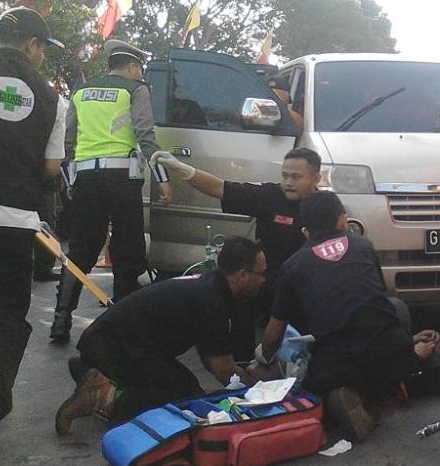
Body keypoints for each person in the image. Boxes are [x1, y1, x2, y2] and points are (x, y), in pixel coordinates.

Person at [54, 236, 268, 434]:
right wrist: (259, 392)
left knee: (187, 385)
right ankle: (103, 397)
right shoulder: (212, 301)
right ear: (242, 275)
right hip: (115, 347)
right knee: (182, 401)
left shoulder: (211, 285)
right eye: (261, 274)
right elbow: (220, 367)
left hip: (112, 341)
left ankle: (93, 371)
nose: (264, 280)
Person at [255, 191, 419, 441]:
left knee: (306, 387)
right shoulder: (364, 246)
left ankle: (341, 398)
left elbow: (273, 335)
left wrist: (262, 362)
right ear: (343, 221)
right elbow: (377, 302)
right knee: (397, 307)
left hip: (337, 365)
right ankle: (371, 396)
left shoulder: (293, 265)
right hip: (394, 353)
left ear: (305, 232)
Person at [0, 7, 67, 461]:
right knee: (4, 311)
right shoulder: (53, 99)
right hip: (13, 219)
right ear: (32, 45)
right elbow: (51, 168)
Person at [50, 40, 173, 343]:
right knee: (127, 248)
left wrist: (69, 181)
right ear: (132, 67)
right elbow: (146, 135)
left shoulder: (82, 91)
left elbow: (67, 143)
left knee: (80, 248)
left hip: (87, 178)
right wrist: (163, 178)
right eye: (139, 70)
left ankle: (61, 319)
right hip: (122, 179)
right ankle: (121, 323)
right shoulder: (135, 90)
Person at [151, 147, 322, 356]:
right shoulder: (270, 196)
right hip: (267, 280)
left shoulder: (325, 207)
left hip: (306, 283)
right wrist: (184, 170)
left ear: (316, 178)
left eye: (296, 177)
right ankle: (242, 364)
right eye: (285, 176)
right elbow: (220, 188)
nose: (288, 182)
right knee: (234, 289)